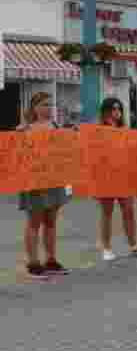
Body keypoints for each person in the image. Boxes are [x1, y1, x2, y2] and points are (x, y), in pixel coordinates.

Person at [18, 92, 72, 279]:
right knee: (34, 222)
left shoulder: (57, 127)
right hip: (34, 181)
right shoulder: (25, 129)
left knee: (51, 221)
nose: (49, 108)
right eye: (44, 105)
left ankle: (51, 259)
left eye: (51, 105)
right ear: (35, 107)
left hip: (54, 179)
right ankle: (33, 263)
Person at [96, 97, 137, 261]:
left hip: (123, 176)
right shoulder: (98, 130)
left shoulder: (124, 129)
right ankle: (106, 247)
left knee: (129, 210)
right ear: (106, 111)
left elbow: (133, 150)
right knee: (107, 212)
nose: (117, 112)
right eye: (113, 109)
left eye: (119, 108)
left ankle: (134, 245)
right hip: (105, 176)